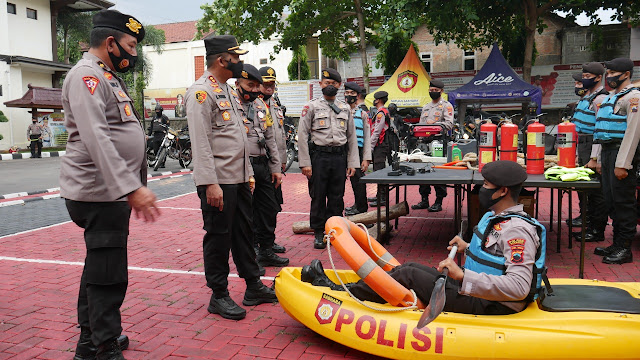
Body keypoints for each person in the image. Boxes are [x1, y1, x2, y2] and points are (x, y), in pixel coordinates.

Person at [302, 160, 546, 315]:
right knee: (409, 267)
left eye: (486, 185)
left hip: (492, 304)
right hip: (477, 291)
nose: (481, 189)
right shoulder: (497, 217)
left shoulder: (517, 231)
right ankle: (355, 290)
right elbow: (494, 256)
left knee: (409, 274)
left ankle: (341, 292)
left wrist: (462, 275)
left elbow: (518, 287)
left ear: (503, 191)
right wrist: (467, 247)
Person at [59, 10, 159, 360]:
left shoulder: (106, 76)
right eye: (131, 46)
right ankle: (104, 347)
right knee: (108, 276)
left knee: (99, 270)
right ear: (111, 43)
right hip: (100, 192)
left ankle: (90, 343)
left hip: (109, 190)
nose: (133, 54)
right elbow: (96, 137)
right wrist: (130, 186)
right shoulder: (86, 76)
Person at [186, 34, 277, 321]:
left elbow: (240, 139)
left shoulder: (226, 90)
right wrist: (209, 182)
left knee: (244, 233)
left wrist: (248, 174)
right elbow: (200, 143)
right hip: (218, 182)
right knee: (218, 237)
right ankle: (219, 295)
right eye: (235, 57)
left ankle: (252, 286)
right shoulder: (202, 92)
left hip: (238, 178)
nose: (239, 62)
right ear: (222, 59)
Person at [298, 68, 359, 249]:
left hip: (339, 158)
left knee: (336, 196)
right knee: (318, 196)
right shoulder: (311, 107)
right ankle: (318, 232)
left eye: (333, 83)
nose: (329, 86)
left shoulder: (345, 108)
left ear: (339, 86)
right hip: (319, 157)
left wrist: (352, 163)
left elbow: (352, 137)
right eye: (326, 83)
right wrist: (305, 163)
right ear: (320, 85)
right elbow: (302, 135)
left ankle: (334, 232)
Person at [236, 64, 288, 269]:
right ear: (238, 83)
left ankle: (266, 249)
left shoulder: (261, 106)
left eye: (258, 86)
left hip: (262, 165)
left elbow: (270, 139)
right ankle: (252, 252)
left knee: (268, 208)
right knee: (247, 213)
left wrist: (276, 167)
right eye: (251, 85)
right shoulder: (232, 104)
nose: (256, 89)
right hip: (243, 165)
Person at [592, 58, 640, 265]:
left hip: (623, 154)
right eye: (608, 72)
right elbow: (603, 131)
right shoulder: (612, 97)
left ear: (626, 74)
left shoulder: (633, 97)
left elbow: (633, 132)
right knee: (611, 201)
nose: (609, 76)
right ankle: (617, 243)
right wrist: (600, 159)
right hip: (609, 152)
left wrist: (624, 163)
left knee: (623, 203)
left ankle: (624, 248)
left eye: (612, 72)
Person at [567, 63, 608, 243]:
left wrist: (595, 158)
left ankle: (596, 229)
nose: (583, 79)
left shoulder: (600, 99)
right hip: (583, 145)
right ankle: (587, 223)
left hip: (593, 146)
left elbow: (600, 130)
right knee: (584, 188)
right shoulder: (587, 98)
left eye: (587, 76)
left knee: (595, 192)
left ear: (598, 77)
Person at [413, 79, 453, 212]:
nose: (433, 93)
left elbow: (449, 124)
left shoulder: (446, 106)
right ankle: (424, 200)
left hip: (438, 142)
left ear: (441, 91)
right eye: (431, 91)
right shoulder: (426, 107)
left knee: (438, 172)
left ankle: (439, 201)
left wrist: (434, 125)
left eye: (435, 91)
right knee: (422, 170)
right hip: (424, 142)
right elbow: (420, 125)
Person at [259, 66, 287, 254]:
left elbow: (280, 136)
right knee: (258, 208)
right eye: (266, 83)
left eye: (272, 83)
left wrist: (283, 160)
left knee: (273, 206)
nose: (269, 86)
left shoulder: (275, 105)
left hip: (275, 165)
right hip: (260, 164)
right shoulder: (253, 105)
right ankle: (256, 243)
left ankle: (269, 240)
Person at [343, 81, 371, 215]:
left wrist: (366, 158)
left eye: (352, 93)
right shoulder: (340, 111)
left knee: (358, 181)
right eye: (347, 93)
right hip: (342, 150)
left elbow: (367, 137)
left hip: (358, 152)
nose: (349, 95)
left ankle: (361, 208)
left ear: (357, 95)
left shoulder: (363, 114)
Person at [368, 91, 391, 208]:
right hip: (381, 145)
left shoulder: (381, 113)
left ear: (379, 100)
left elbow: (377, 131)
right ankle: (379, 195)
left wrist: (370, 147)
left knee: (379, 171)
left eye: (375, 99)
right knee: (378, 170)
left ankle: (382, 198)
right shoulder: (381, 112)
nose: (374, 101)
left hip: (380, 145)